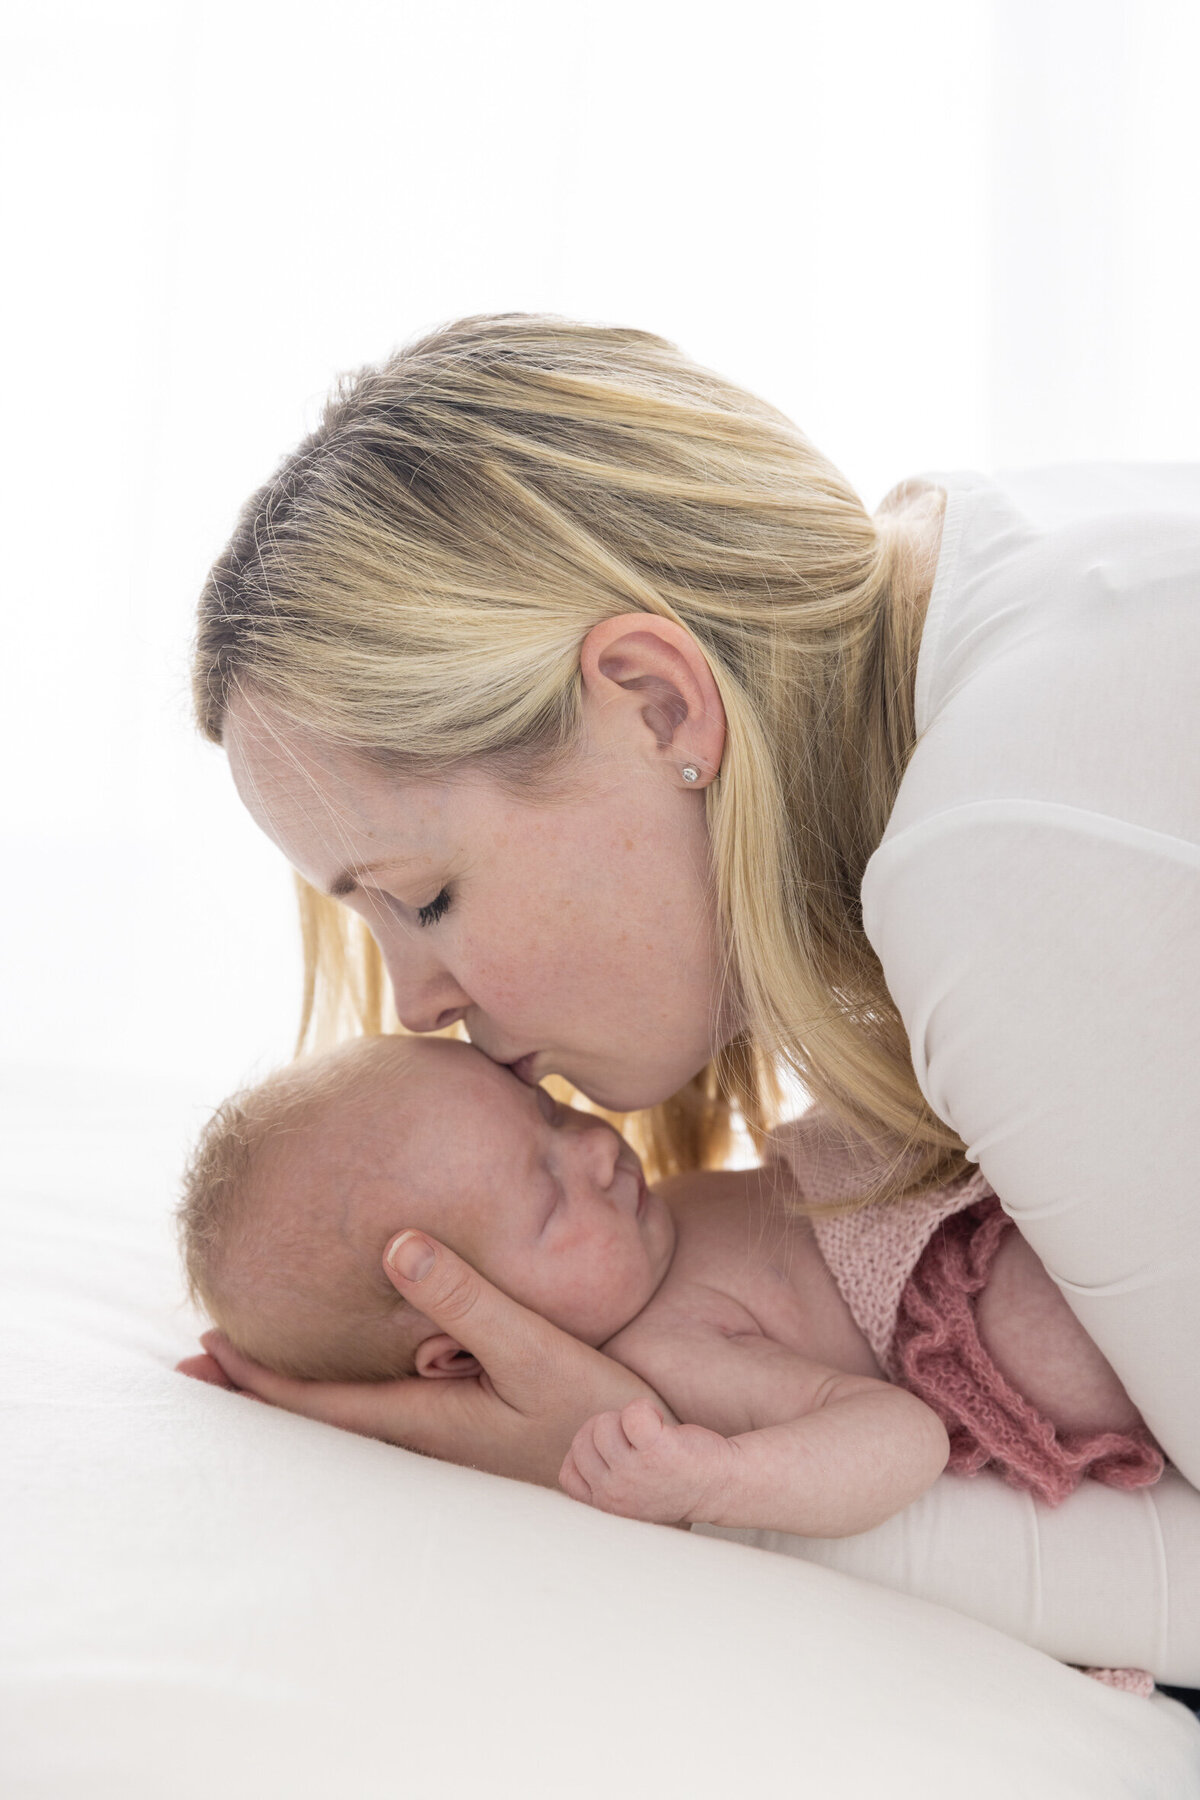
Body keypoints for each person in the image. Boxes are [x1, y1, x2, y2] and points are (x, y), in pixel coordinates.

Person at [183, 312, 1200, 1674]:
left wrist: (641, 1475)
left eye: (421, 897)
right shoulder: (990, 564)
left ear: (659, 707)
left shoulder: (999, 861)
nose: (414, 1002)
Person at [178, 1031, 1165, 1693]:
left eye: (553, 1121)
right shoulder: (665, 1356)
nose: (599, 1155)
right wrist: (723, 1475)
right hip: (1113, 1318)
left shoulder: (651, 1233)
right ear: (457, 1350)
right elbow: (898, 1439)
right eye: (549, 1200)